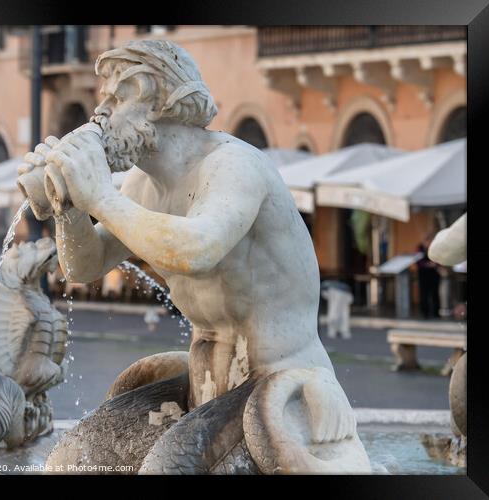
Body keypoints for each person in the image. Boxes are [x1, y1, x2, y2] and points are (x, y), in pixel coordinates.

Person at [19, 40, 370, 473]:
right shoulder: (140, 187)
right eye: (103, 98)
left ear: (167, 102)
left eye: (119, 96)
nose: (100, 112)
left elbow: (198, 249)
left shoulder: (232, 165)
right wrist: (67, 206)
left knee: (166, 468)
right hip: (204, 384)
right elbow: (82, 266)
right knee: (73, 459)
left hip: (277, 380)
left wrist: (101, 198)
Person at [416, 233, 441, 318]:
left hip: (434, 274)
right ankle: (425, 312)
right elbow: (418, 261)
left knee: (435, 293)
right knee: (424, 293)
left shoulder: (435, 249)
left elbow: (439, 259)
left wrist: (435, 264)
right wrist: (427, 264)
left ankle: (436, 312)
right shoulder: (420, 248)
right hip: (423, 274)